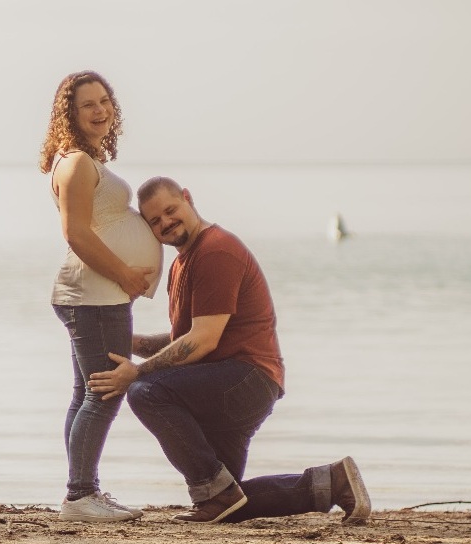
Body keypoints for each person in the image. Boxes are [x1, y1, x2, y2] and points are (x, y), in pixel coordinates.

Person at [88, 177, 372, 524]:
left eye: (170, 211)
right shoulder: (181, 264)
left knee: (145, 392)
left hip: (245, 377)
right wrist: (125, 340)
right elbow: (185, 341)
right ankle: (335, 481)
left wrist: (136, 372)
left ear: (188, 199)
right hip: (229, 380)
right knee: (231, 500)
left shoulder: (215, 250)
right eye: (155, 221)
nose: (165, 223)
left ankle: (214, 490)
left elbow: (203, 341)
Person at [39, 72, 163, 523]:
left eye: (105, 101)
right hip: (93, 295)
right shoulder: (75, 164)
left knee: (87, 392)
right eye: (88, 104)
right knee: (106, 393)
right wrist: (127, 276)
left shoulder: (85, 161)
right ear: (69, 114)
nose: (100, 110)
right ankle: (79, 496)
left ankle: (84, 490)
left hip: (95, 295)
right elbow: (75, 233)